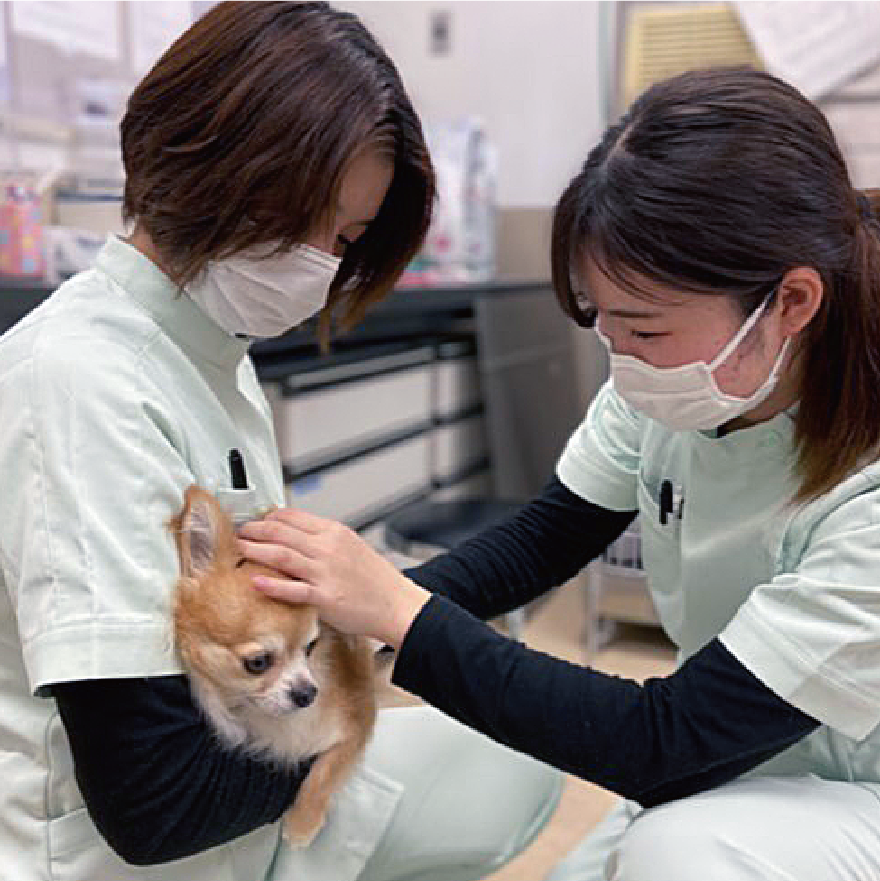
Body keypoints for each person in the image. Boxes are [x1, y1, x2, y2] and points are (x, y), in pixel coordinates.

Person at [238, 66, 880, 881]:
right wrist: (342, 621)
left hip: (850, 792)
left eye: (643, 326)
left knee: (675, 856)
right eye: (599, 317)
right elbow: (544, 540)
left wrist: (401, 609)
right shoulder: (679, 382)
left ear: (791, 301)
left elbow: (660, 741)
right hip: (734, 759)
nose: (618, 353)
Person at [0, 2, 561, 879]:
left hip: (237, 798)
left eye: (344, 238)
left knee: (518, 760)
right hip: (124, 849)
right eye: (310, 219)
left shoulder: (207, 351)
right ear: (207, 161)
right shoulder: (85, 384)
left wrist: (380, 621)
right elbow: (154, 805)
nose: (321, 263)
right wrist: (351, 691)